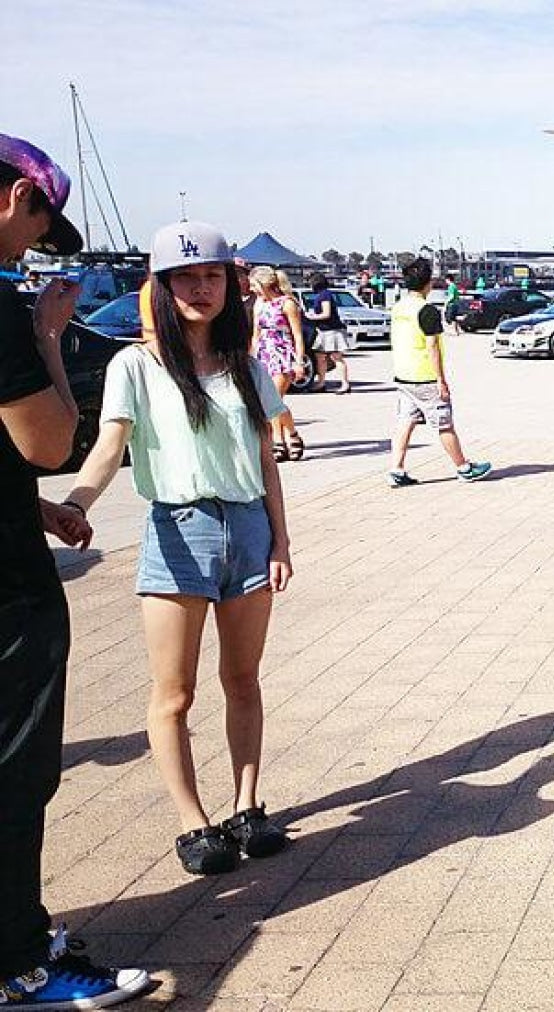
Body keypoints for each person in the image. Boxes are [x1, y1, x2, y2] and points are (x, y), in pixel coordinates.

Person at [65, 221, 295, 880]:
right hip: (177, 531)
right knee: (175, 693)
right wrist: (76, 504)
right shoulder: (134, 365)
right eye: (185, 278)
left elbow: (265, 457)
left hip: (248, 529)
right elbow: (109, 446)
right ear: (162, 288)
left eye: (211, 276)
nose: (200, 288)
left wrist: (280, 538)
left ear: (229, 284)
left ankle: (248, 805)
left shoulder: (246, 366)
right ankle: (193, 822)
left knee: (243, 680)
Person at [0, 134, 152, 1009]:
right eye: (33, 227)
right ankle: (21, 963)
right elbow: (49, 441)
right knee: (15, 772)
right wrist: (47, 341)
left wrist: (33, 508)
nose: (28, 249)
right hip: (4, 596)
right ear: (21, 195)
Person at [388, 258, 491, 487]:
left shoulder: (398, 307)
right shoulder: (426, 310)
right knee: (444, 423)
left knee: (406, 421)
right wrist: (441, 380)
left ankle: (396, 469)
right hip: (424, 376)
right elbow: (432, 347)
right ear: (428, 283)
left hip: (403, 375)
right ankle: (463, 467)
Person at [248, 266, 307, 460]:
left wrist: (299, 361)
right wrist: (251, 358)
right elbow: (256, 334)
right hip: (264, 354)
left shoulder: (287, 304)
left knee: (274, 399)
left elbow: (297, 335)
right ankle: (292, 434)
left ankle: (279, 442)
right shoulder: (259, 304)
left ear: (264, 283)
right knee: (272, 401)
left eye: (254, 285)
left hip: (282, 354)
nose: (252, 289)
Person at [303, 275, 352, 394]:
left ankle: (345, 384)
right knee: (320, 357)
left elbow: (327, 313)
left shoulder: (325, 295)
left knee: (336, 357)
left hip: (332, 330)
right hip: (324, 330)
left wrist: (311, 316)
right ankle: (321, 383)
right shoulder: (322, 295)